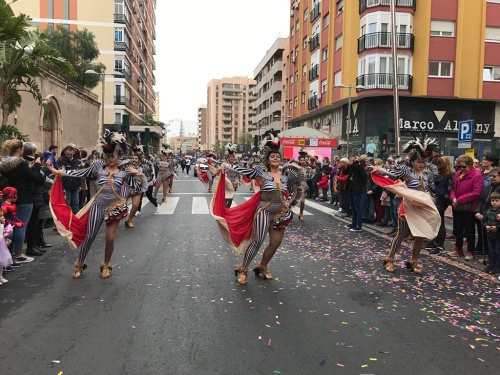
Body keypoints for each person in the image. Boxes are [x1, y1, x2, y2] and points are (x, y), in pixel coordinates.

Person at [46, 130, 142, 278]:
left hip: (114, 208)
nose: (110, 159)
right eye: (108, 156)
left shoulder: (125, 171)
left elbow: (135, 188)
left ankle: (106, 264)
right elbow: (81, 173)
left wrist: (138, 174)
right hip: (98, 205)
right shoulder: (98, 167)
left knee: (109, 238)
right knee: (90, 236)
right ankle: (80, 263)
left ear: (119, 156)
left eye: (113, 156)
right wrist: (58, 171)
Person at [211, 131, 301, 285]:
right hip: (264, 211)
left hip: (279, 214)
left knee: (275, 243)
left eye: (277, 156)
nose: (275, 158)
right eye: (272, 156)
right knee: (257, 241)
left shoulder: (287, 175)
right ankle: (243, 269)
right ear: (268, 159)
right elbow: (244, 171)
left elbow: (294, 190)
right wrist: (227, 166)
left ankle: (262, 266)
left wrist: (288, 202)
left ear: (281, 159)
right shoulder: (262, 173)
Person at [368, 136, 440, 273]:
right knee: (401, 234)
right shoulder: (407, 171)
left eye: (424, 161)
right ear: (412, 162)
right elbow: (391, 172)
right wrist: (379, 169)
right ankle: (390, 259)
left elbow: (430, 188)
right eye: (419, 161)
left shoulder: (427, 173)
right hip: (407, 206)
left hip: (422, 207)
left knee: (421, 234)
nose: (422, 164)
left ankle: (414, 261)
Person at [0, 139, 44, 264]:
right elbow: (36, 178)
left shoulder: (3, 163)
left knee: (9, 225)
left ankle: (8, 253)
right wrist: (37, 165)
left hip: (9, 196)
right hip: (24, 196)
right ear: (20, 149)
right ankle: (18, 254)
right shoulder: (21, 164)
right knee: (21, 226)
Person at [448, 154, 483, 261]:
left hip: (470, 207)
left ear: (470, 165)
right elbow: (453, 188)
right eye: (459, 167)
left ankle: (470, 251)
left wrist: (459, 200)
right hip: (458, 206)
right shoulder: (458, 174)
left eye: (464, 167)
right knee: (458, 228)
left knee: (469, 230)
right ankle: (458, 248)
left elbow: (476, 192)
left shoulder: (476, 176)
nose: (461, 169)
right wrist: (453, 198)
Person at [125, 153, 148, 228]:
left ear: (139, 160)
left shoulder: (143, 167)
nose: (134, 160)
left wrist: (138, 172)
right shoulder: (126, 166)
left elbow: (145, 178)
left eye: (136, 158)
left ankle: (129, 219)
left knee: (135, 206)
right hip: (126, 188)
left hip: (137, 189)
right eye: (133, 158)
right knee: (121, 206)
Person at [57, 145, 80, 214]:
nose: (69, 156)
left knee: (75, 203)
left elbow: (79, 173)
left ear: (73, 152)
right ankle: (67, 217)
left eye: (71, 154)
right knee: (67, 203)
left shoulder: (76, 161)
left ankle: (76, 217)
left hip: (75, 185)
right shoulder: (61, 161)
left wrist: (79, 184)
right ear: (65, 152)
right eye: (67, 154)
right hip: (66, 186)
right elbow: (60, 173)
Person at [482, 191, 500, 274]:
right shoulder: (488, 211)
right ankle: (491, 264)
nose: (494, 203)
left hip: (498, 235)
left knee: (497, 250)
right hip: (490, 234)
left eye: (497, 201)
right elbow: (484, 221)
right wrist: (486, 226)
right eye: (493, 201)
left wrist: (497, 227)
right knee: (491, 250)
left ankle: (497, 266)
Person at [0, 209, 13, 285]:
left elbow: (3, 233)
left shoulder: (2, 223)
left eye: (3, 215)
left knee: (1, 262)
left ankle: (0, 276)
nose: (2, 217)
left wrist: (6, 239)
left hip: (1, 244)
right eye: (0, 216)